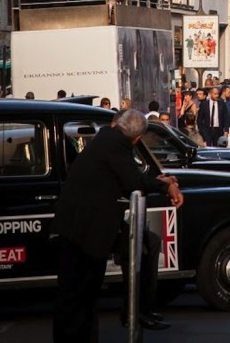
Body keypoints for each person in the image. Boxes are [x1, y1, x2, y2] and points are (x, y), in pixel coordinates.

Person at [51, 109, 184, 341]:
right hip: (83, 232)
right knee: (77, 294)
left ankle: (134, 311)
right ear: (137, 138)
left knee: (80, 294)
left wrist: (158, 182)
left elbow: (126, 175)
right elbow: (132, 179)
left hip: (83, 227)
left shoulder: (107, 138)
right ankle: (133, 312)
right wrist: (165, 186)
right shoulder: (116, 144)